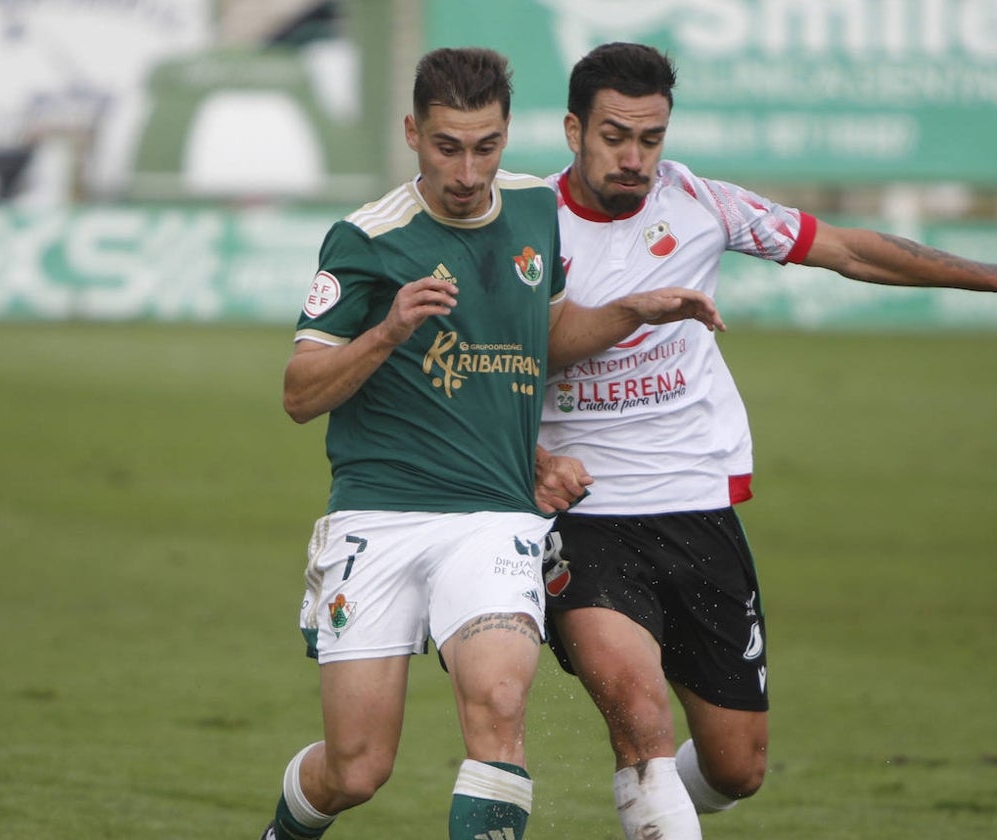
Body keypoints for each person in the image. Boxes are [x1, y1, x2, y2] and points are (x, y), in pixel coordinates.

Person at [535, 42, 997, 840]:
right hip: (583, 512)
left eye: (651, 138)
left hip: (696, 506)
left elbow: (847, 249)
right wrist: (638, 309)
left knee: (736, 768)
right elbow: (529, 352)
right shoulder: (526, 226)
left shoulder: (702, 202)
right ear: (573, 130)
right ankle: (651, 792)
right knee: (641, 717)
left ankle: (650, 803)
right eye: (615, 136)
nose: (635, 158)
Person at [258, 46, 724, 840]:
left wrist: (633, 310)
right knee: (357, 769)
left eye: (486, 146)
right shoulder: (367, 240)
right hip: (381, 517)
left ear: (507, 134)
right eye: (447, 147)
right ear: (413, 133)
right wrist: (388, 330)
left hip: (493, 520)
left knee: (501, 706)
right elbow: (300, 395)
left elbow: (540, 336)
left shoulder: (534, 214)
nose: (468, 171)